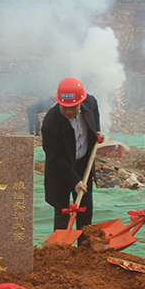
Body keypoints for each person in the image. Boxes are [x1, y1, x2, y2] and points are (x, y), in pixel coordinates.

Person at [41, 77, 103, 239]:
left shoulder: (90, 102)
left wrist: (96, 131)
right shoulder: (50, 123)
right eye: (65, 107)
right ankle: (61, 249)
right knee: (63, 212)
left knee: (85, 212)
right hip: (61, 170)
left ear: (81, 102)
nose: (69, 111)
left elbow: (95, 115)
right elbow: (55, 158)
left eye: (73, 107)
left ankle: (84, 249)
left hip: (83, 165)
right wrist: (75, 180)